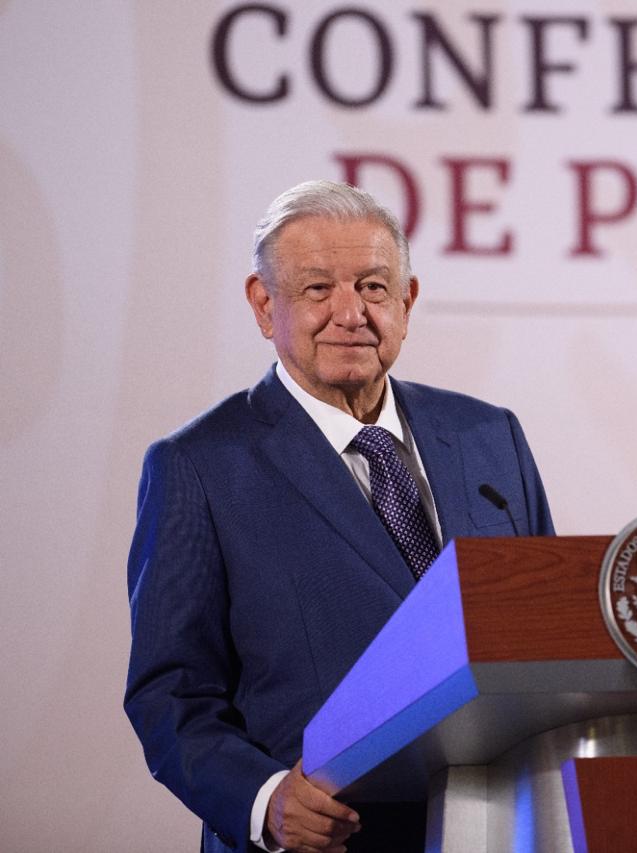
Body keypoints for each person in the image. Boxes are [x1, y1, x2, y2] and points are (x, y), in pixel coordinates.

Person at [124, 180, 554, 852]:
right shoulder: (199, 467)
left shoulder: (489, 436)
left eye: (374, 288)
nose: (351, 313)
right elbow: (169, 692)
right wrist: (265, 799)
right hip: (324, 839)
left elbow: (549, 639)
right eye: (318, 288)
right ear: (264, 304)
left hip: (500, 828)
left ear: (407, 303)